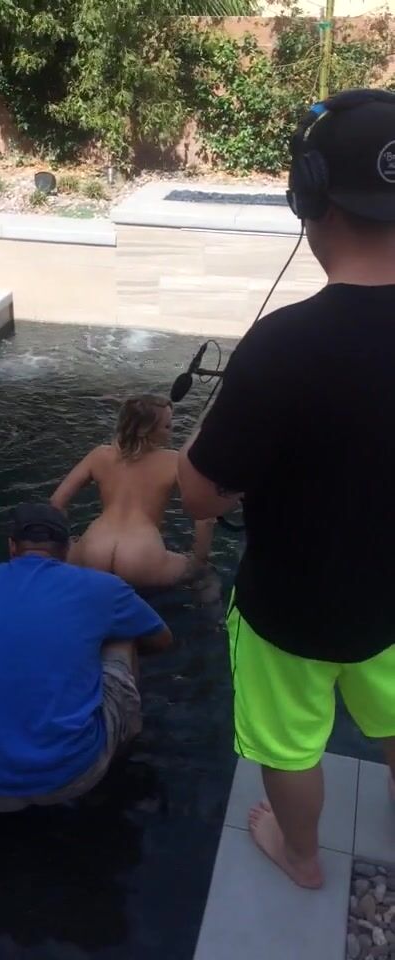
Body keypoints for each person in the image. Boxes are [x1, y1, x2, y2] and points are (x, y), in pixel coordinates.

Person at [177, 89, 395, 890]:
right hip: (392, 601)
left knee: (290, 746)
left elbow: (202, 497)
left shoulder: (282, 346)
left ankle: (301, 857)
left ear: (309, 196)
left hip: (290, 611)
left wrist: (203, 435)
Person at [0, 503, 172, 891]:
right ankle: (118, 749)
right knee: (124, 634)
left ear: (11, 546)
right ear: (67, 549)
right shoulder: (101, 587)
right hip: (72, 773)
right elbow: (162, 639)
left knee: (4, 706)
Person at [50, 394, 214, 589]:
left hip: (95, 547)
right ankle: (211, 606)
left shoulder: (99, 455)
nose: (172, 430)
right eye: (167, 426)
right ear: (146, 430)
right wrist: (199, 559)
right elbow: (205, 516)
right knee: (205, 575)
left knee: (71, 549)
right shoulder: (174, 461)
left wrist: (66, 544)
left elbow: (57, 501)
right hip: (141, 555)